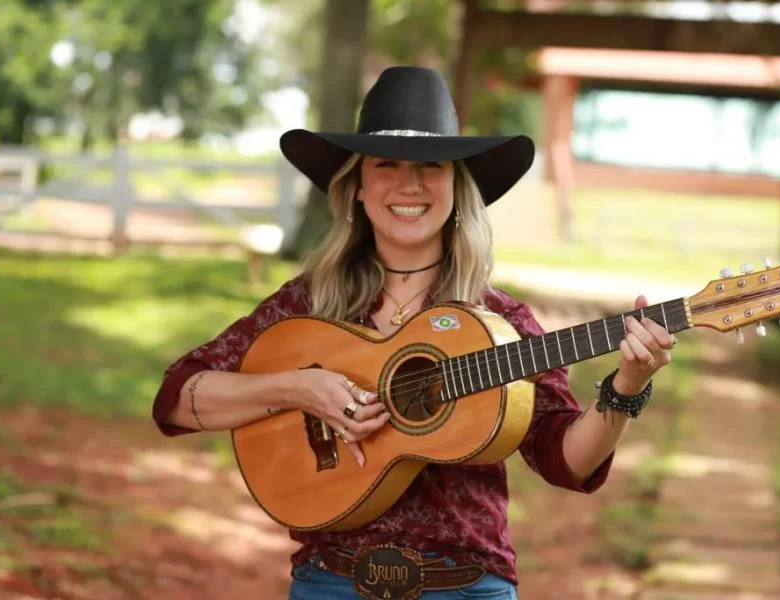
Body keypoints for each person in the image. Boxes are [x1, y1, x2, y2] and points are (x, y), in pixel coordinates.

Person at [151, 66, 675, 600]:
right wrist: (296, 389)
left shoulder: (500, 320)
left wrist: (627, 387)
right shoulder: (309, 303)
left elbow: (565, 461)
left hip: (467, 588)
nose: (411, 184)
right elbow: (177, 397)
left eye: (432, 167)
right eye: (386, 165)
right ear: (356, 187)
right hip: (330, 584)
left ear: (456, 186)